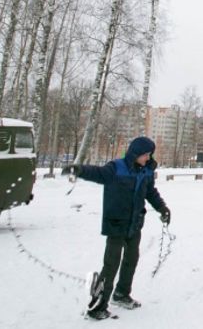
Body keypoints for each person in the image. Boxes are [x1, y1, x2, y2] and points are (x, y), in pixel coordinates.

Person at [65, 136, 170, 321]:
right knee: (111, 265)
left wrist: (162, 208)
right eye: (145, 154)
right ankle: (98, 305)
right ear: (135, 153)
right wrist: (78, 170)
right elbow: (96, 173)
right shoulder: (116, 168)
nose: (148, 158)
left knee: (131, 260)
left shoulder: (146, 171)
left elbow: (150, 192)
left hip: (135, 224)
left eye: (149, 155)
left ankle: (121, 294)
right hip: (116, 224)